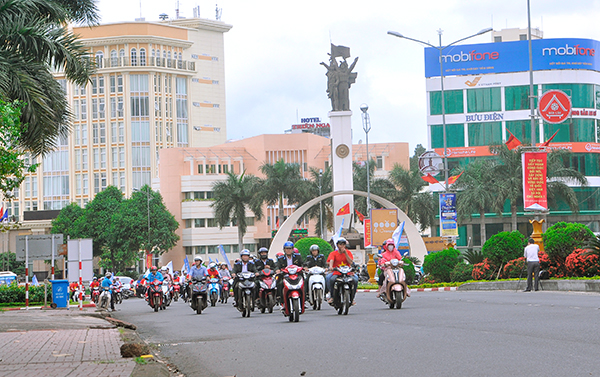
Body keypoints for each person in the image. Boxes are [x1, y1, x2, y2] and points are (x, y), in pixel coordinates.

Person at [326, 238, 358, 305]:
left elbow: (351, 262)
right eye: (340, 244)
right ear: (337, 245)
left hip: (347, 272)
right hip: (337, 272)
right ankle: (332, 296)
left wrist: (345, 253)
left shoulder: (348, 252)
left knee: (355, 279)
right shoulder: (333, 253)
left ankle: (352, 298)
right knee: (331, 279)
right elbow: (331, 260)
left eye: (343, 244)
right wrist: (331, 267)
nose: (342, 246)